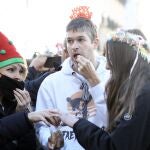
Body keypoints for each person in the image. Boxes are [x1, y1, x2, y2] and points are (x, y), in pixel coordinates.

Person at [56, 30, 150, 150]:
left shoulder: (144, 95)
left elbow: (114, 146)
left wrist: (76, 123)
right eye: (69, 41)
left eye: (110, 57)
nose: (106, 65)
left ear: (125, 59)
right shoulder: (138, 90)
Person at [35, 6, 109, 150]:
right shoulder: (51, 82)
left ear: (95, 43)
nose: (74, 46)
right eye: (70, 41)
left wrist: (94, 81)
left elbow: (114, 122)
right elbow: (41, 124)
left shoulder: (112, 76)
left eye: (81, 40)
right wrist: (48, 140)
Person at [0, 31, 36, 150]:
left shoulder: (10, 102)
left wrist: (20, 112)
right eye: (11, 70)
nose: (18, 77)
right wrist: (24, 118)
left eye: (21, 71)